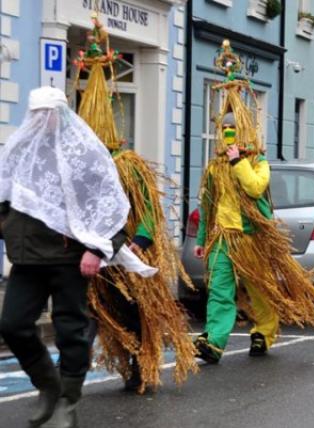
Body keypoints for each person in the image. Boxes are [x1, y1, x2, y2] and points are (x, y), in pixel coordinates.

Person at [0, 86, 153, 428]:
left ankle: (68, 401)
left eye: (48, 114)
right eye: (37, 114)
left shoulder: (84, 154)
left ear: (61, 115)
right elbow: (4, 196)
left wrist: (97, 249)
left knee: (72, 331)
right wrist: (7, 225)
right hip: (26, 258)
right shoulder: (20, 151)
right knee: (12, 324)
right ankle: (48, 387)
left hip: (68, 259)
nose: (42, 120)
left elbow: (113, 209)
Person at [192, 41, 314, 364]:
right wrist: (202, 239)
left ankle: (264, 330)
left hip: (251, 237)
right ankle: (214, 343)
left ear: (243, 132)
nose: (229, 133)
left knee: (258, 288)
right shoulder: (215, 166)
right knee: (219, 291)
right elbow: (207, 204)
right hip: (222, 240)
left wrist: (238, 162)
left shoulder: (258, 163)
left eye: (234, 129)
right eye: (225, 129)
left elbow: (256, 188)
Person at [75, 13, 197, 393]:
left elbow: (147, 211)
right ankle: (125, 360)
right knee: (104, 311)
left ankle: (143, 361)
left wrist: (140, 243)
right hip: (93, 256)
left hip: (125, 250)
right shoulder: (78, 171)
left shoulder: (127, 166)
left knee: (133, 309)